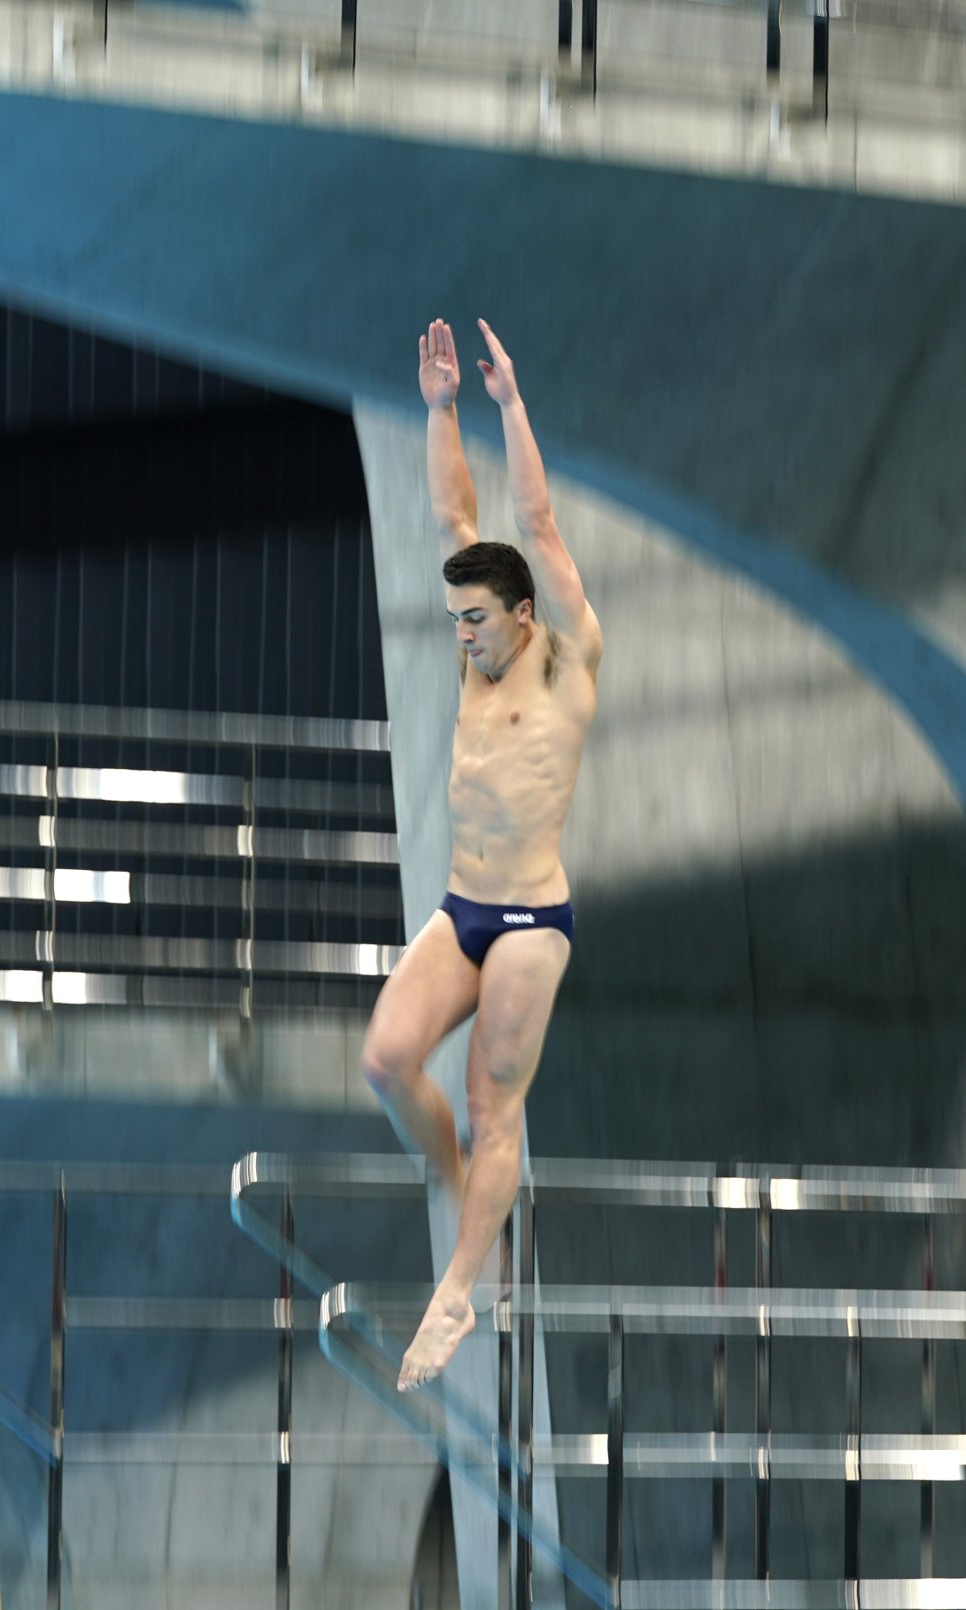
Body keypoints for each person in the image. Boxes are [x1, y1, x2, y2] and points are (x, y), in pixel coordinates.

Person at [360, 318, 604, 1391]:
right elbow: (454, 512)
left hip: (529, 927)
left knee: (491, 1098)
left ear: (524, 614)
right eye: (455, 619)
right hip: (463, 907)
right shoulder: (478, 645)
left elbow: (533, 518)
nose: (462, 639)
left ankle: (458, 1284)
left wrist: (510, 407)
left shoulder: (566, 659)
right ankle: (466, 1191)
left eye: (478, 622)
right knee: (383, 1058)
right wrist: (441, 407)